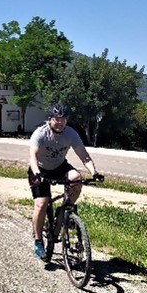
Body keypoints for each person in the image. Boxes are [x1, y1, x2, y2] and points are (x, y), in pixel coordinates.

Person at [28, 103, 104, 259]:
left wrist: (94, 172)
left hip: (59, 166)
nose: (60, 122)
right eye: (57, 119)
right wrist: (37, 173)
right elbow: (33, 156)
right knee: (42, 203)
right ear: (50, 119)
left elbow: (84, 156)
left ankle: (65, 210)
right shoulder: (40, 133)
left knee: (76, 178)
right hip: (40, 169)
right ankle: (38, 241)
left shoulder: (71, 134)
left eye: (63, 119)